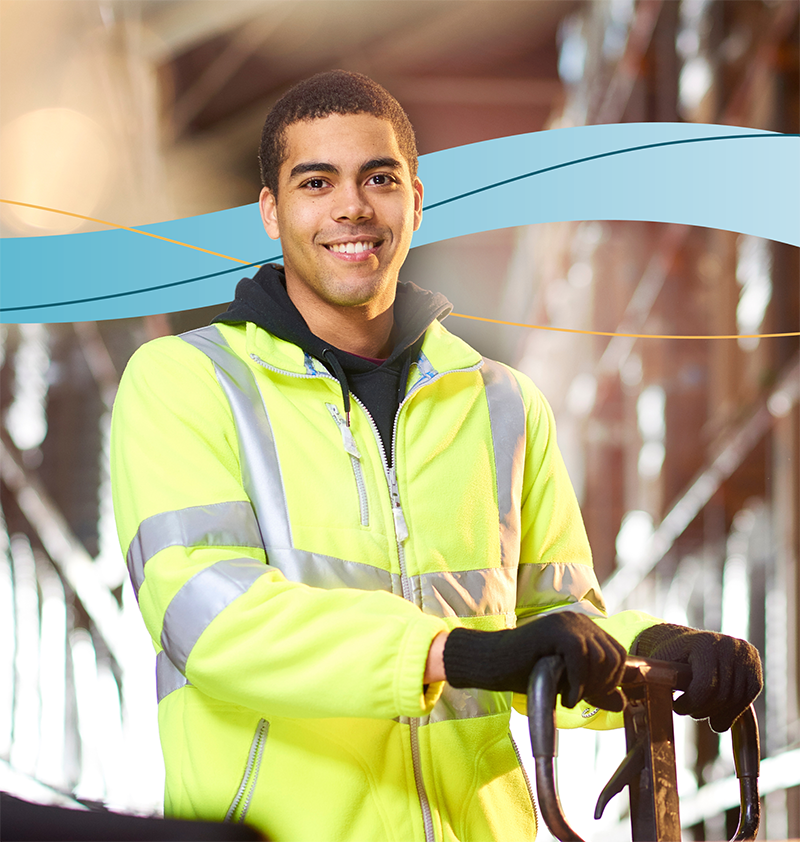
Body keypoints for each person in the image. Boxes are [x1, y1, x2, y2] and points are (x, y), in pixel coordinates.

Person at [110, 70, 762, 842]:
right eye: (316, 182)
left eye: (378, 178)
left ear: (415, 200)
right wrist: (447, 654)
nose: (352, 207)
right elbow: (209, 618)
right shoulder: (187, 381)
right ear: (270, 212)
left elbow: (551, 630)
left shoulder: (503, 403)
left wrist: (653, 652)